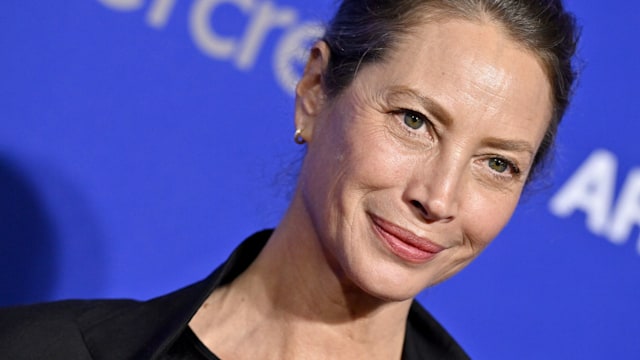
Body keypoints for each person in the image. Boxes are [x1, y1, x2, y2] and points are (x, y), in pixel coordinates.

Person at [0, 0, 579, 359]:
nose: (439, 197)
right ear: (314, 92)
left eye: (497, 163)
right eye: (415, 121)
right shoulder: (37, 348)